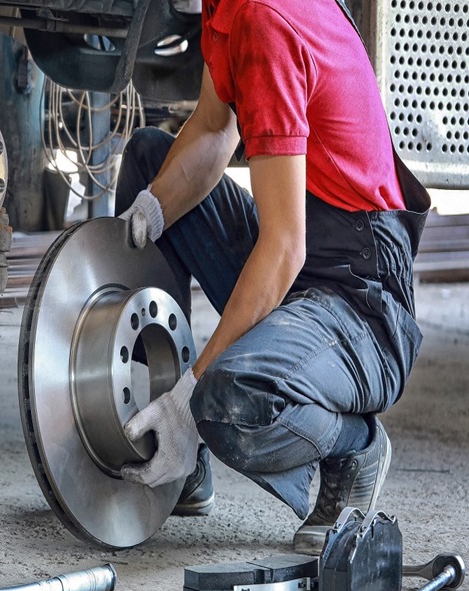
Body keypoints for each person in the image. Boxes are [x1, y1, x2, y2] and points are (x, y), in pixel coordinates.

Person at [115, 0, 430, 554]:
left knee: (227, 400)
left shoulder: (265, 23)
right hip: (298, 246)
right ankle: (174, 446)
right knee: (149, 161)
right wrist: (150, 212)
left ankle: (355, 447)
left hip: (360, 298)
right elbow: (213, 129)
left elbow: (284, 249)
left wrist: (192, 399)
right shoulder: (225, 9)